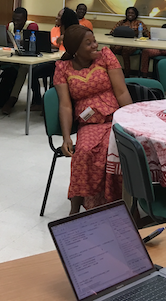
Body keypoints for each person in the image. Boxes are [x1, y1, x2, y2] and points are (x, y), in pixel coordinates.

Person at [55, 25, 132, 213]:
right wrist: (66, 137)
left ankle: (118, 205)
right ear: (75, 49)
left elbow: (121, 92)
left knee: (115, 150)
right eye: (88, 43)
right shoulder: (62, 68)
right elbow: (65, 105)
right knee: (83, 152)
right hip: (88, 123)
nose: (94, 45)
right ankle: (75, 209)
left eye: (94, 41)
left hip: (114, 119)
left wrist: (131, 122)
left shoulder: (105, 56)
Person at [31, 7, 79, 111]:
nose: (56, 17)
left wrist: (65, 38)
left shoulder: (74, 32)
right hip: (55, 61)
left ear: (65, 18)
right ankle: (37, 101)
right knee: (33, 72)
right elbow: (55, 45)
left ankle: (51, 105)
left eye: (59, 15)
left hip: (69, 64)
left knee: (55, 76)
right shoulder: (55, 30)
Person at [110, 6, 149, 77]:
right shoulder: (121, 22)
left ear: (135, 14)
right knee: (114, 48)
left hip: (132, 45)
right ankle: (112, 71)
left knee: (125, 50)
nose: (130, 14)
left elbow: (147, 34)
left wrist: (139, 32)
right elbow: (112, 32)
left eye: (132, 13)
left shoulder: (139, 23)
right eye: (129, 13)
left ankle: (127, 74)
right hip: (120, 43)